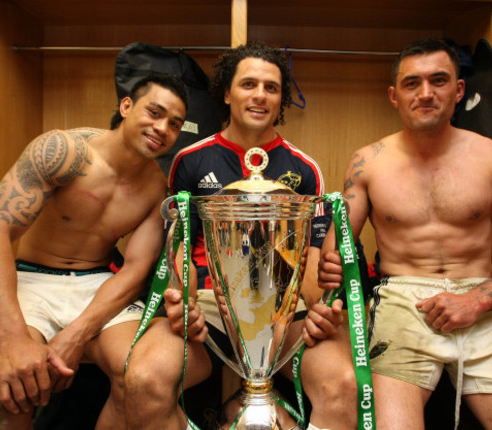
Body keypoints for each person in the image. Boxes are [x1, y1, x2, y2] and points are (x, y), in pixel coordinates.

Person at [318, 38, 492, 429]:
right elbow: (336, 252)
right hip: (400, 303)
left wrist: (476, 300)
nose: (426, 93)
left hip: (482, 303)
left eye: (439, 80)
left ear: (459, 90)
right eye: (412, 83)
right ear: (394, 95)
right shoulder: (368, 162)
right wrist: (331, 270)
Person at [124, 41, 358, 430]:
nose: (260, 95)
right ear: (227, 93)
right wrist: (185, 305)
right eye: (248, 84)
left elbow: (312, 258)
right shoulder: (190, 160)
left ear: (282, 99)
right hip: (211, 303)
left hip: (286, 308)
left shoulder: (304, 169)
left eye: (272, 87)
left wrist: (318, 310)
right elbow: (180, 249)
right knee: (143, 379)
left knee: (343, 385)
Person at [0, 74, 188, 430]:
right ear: (127, 106)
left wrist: (76, 334)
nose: (162, 128)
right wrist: (12, 340)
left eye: (174, 124)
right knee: (3, 392)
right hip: (29, 278)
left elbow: (135, 269)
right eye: (155, 112)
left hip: (96, 284)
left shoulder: (155, 188)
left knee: (141, 378)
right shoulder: (63, 151)